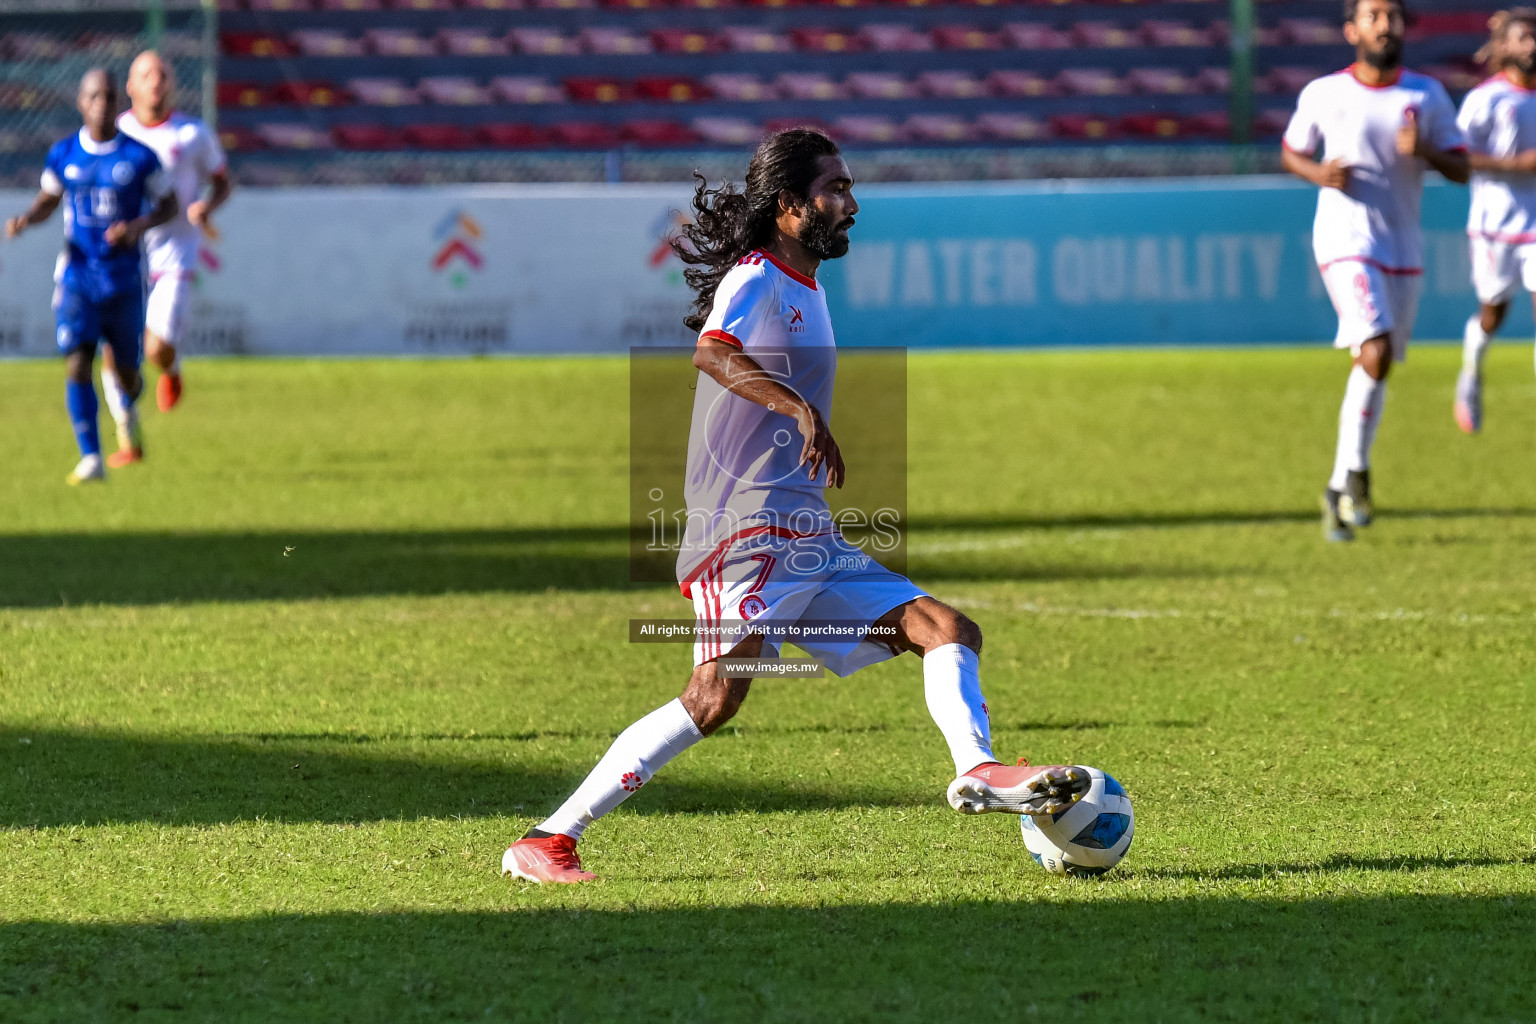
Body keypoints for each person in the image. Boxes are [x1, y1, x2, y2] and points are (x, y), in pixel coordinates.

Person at [502, 128, 1090, 885]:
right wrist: (798, 409)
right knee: (712, 699)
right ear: (788, 207)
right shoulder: (758, 276)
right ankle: (548, 839)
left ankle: (978, 769)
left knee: (944, 627)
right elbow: (712, 350)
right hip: (742, 530)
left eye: (848, 188)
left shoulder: (804, 287)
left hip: (803, 531)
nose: (850, 204)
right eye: (834, 190)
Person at [1281, 0, 1470, 542]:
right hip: (1344, 236)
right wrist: (1319, 173)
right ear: (1351, 30)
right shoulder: (1324, 92)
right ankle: (1354, 476)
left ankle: (1343, 479)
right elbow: (1292, 152)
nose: (1385, 25)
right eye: (1373, 15)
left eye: (1393, 16)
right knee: (1376, 349)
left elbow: (1461, 168)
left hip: (1402, 244)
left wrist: (1427, 150)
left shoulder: (1425, 95)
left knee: (1378, 364)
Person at [4, 69, 176, 485]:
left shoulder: (139, 157)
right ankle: (92, 457)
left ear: (119, 105)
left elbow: (169, 206)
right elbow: (49, 198)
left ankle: (129, 407)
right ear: (81, 102)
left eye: (110, 98)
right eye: (95, 97)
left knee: (127, 375)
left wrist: (135, 227)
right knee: (78, 363)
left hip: (122, 281)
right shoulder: (64, 154)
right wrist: (27, 218)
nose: (103, 105)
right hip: (78, 278)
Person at [99, 49, 231, 464]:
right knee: (112, 350)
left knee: (155, 348)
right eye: (146, 74)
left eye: (163, 74)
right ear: (130, 87)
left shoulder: (192, 134)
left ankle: (171, 370)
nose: (156, 80)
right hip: (125, 253)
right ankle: (128, 439)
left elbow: (223, 181)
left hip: (175, 251)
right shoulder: (116, 133)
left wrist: (207, 206)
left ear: (172, 84)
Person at [1455, 9, 1536, 434]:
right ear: (1503, 46)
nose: (1532, 46)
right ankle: (1470, 372)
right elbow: (1458, 157)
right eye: (1522, 38)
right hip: (1494, 225)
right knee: (1493, 313)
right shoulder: (1486, 100)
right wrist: (1515, 164)